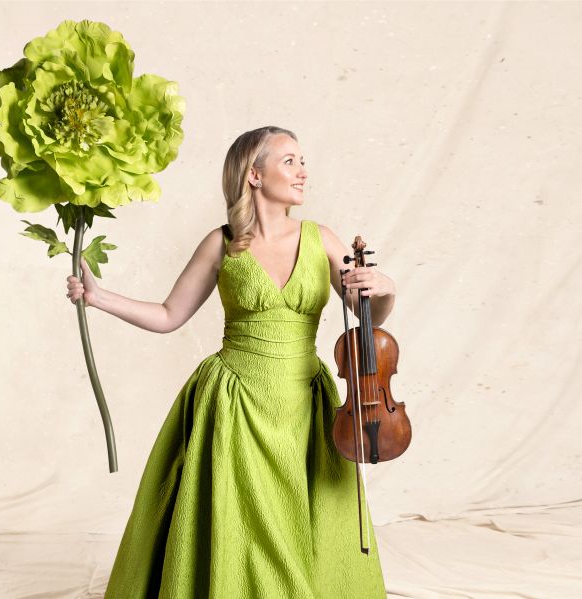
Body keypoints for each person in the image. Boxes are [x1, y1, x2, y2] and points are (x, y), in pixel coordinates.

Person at [65, 126, 396, 598]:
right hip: (236, 402)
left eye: (303, 161)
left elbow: (368, 323)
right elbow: (167, 315)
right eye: (289, 161)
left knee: (310, 519)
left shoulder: (322, 238)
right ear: (254, 174)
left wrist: (384, 291)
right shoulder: (221, 244)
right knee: (243, 527)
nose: (303, 171)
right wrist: (98, 299)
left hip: (305, 401)